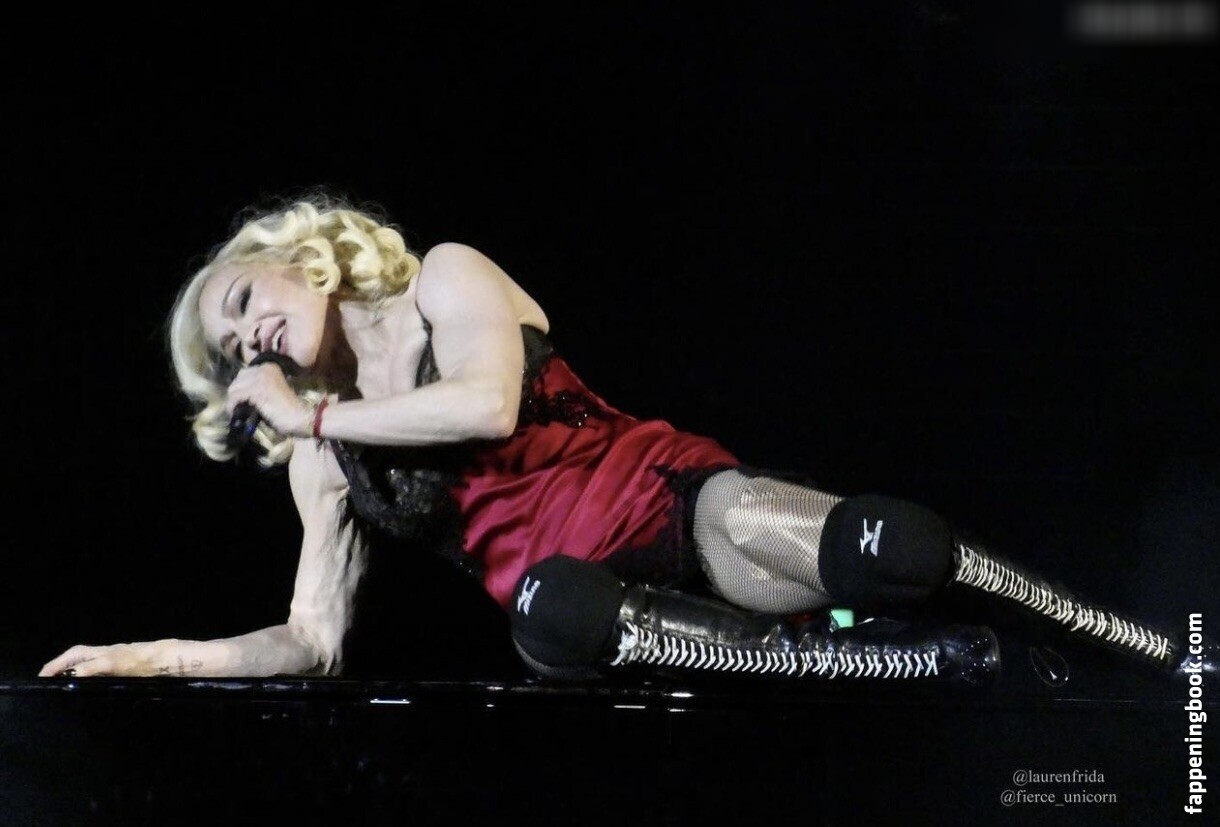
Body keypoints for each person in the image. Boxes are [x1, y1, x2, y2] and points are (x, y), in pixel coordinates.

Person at [38, 192, 1211, 688]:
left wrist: (319, 416)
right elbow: (312, 637)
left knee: (878, 543)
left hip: (676, 509)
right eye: (230, 349)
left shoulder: (442, 279)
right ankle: (944, 663)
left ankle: (1146, 649)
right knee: (548, 605)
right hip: (598, 610)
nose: (248, 339)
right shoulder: (320, 456)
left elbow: (486, 406)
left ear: (295, 257)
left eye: (242, 302)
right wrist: (160, 654)